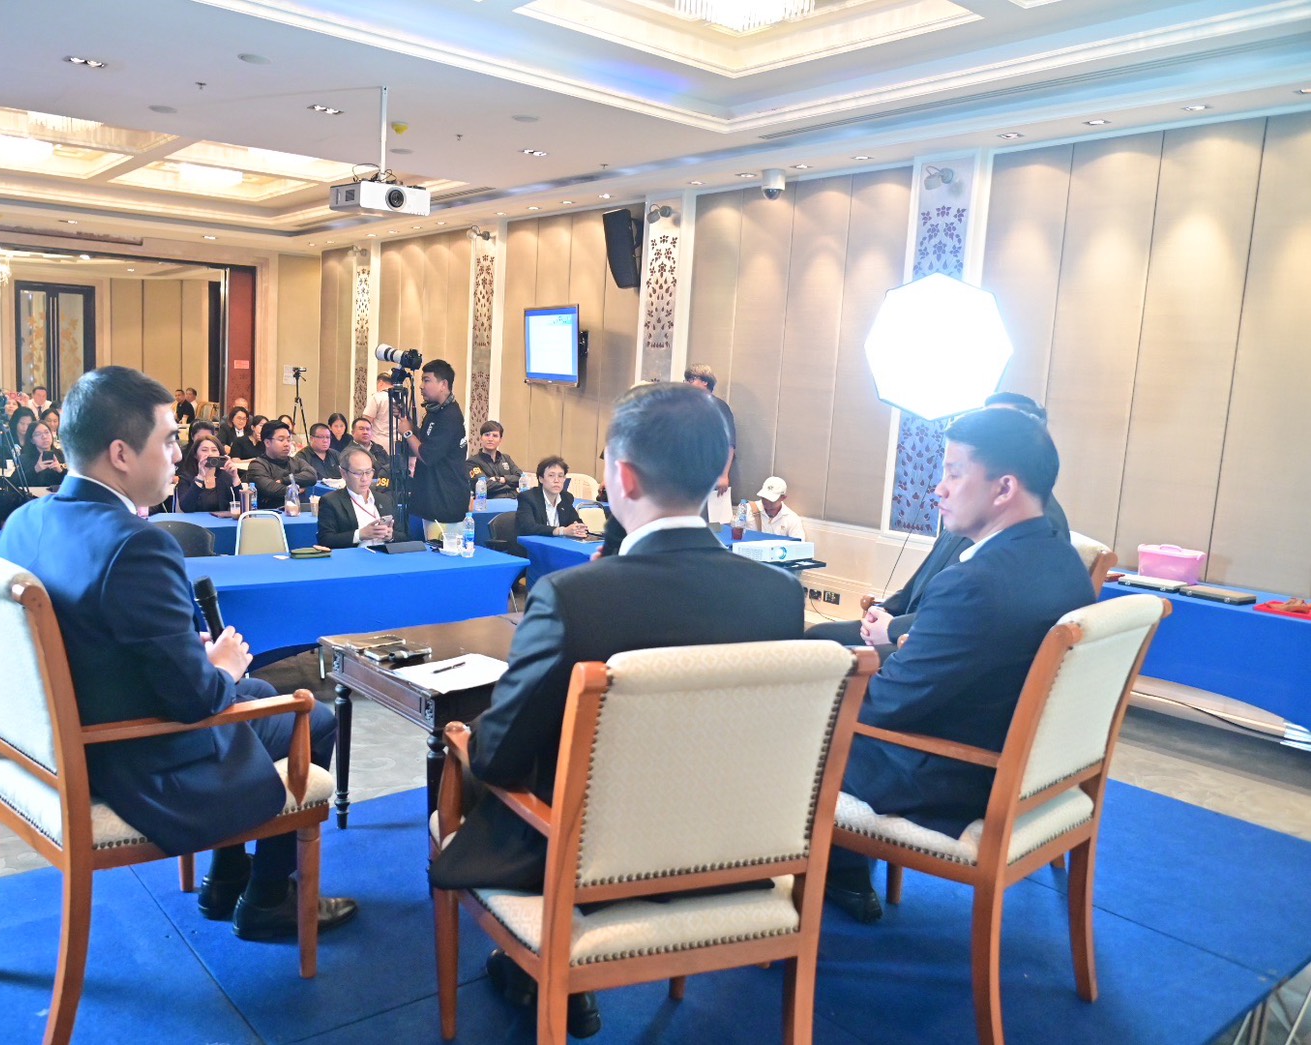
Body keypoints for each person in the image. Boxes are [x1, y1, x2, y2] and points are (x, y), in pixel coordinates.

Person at [428, 383, 806, 1036]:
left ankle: (535, 970)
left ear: (621, 476)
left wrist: (468, 736)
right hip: (730, 855)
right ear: (720, 470)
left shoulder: (572, 597)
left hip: (583, 863)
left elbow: (499, 756)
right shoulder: (778, 596)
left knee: (474, 753)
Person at [0, 365, 356, 940]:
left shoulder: (23, 522)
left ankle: (228, 874)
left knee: (260, 691)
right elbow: (194, 701)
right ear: (120, 453)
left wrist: (202, 663)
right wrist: (221, 667)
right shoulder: (138, 544)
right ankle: (269, 898)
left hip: (56, 741)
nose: (179, 456)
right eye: (168, 441)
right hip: (135, 758)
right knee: (314, 717)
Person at [824, 407, 1095, 925]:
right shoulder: (1063, 562)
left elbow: (884, 707)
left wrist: (806, 694)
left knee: (789, 730)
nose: (939, 488)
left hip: (952, 774)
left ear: (1004, 487)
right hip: (1029, 770)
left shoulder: (974, 583)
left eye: (953, 472)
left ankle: (794, 884)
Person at [807, 393, 1071, 650]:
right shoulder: (969, 514)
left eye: (954, 475)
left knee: (818, 654)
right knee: (817, 636)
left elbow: (973, 611)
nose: (940, 489)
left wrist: (892, 629)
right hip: (916, 624)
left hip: (929, 636)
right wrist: (884, 611)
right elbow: (921, 584)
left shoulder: (1037, 528)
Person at [396, 359, 468, 524]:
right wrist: (405, 419)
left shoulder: (450, 416)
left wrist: (407, 433)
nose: (421, 386)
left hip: (444, 502)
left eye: (427, 380)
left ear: (443, 384)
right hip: (428, 498)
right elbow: (425, 440)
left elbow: (427, 455)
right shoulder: (435, 410)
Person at [684, 363, 736, 522]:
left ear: (705, 381)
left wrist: (724, 475)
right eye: (686, 380)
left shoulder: (719, 407)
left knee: (713, 524)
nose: (686, 383)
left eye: (691, 379)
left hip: (711, 476)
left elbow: (729, 443)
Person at [316, 447, 396, 548]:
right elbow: (325, 540)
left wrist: (390, 536)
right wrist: (359, 535)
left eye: (368, 472)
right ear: (344, 473)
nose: (364, 478)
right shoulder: (331, 501)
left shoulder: (384, 500)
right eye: (358, 473)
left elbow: (404, 536)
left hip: (383, 555)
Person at [244, 420, 316, 510]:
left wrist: (284, 480)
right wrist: (296, 489)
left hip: (298, 513)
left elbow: (312, 476)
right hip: (271, 514)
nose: (287, 444)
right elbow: (271, 489)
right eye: (281, 440)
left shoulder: (296, 461)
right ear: (267, 443)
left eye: (288, 440)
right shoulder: (257, 465)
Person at [515, 456, 587, 539]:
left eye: (560, 476)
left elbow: (575, 520)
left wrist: (578, 528)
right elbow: (527, 527)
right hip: (536, 543)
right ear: (541, 479)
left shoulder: (566, 497)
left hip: (559, 543)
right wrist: (560, 531)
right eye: (551, 475)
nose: (556, 480)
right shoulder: (528, 497)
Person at [176, 433, 243, 513]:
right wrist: (200, 477)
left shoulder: (225, 476)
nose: (210, 454)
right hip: (195, 520)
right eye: (204, 450)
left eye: (214, 450)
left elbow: (241, 505)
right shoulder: (186, 477)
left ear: (219, 454)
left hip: (220, 520)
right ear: (195, 455)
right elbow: (186, 507)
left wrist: (235, 477)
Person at [465, 420, 524, 499]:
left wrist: (501, 479)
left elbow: (521, 478)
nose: (490, 439)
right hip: (489, 502)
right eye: (487, 435)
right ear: (481, 438)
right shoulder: (472, 462)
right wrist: (510, 485)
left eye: (495, 436)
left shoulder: (506, 458)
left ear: (500, 440)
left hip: (513, 499)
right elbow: (484, 485)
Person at [20, 420, 68, 488]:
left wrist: (60, 471)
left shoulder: (63, 455)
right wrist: (35, 469)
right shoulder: (24, 459)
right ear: (32, 440)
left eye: (47, 432)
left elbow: (74, 482)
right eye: (38, 434)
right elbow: (15, 482)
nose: (44, 437)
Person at [347, 416, 390, 487]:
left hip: (383, 487)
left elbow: (388, 469)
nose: (365, 432)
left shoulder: (379, 449)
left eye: (368, 429)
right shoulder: (348, 452)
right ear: (353, 432)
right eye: (361, 429)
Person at [361, 369, 395, 450]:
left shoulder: (377, 397)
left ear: (381, 382)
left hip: (379, 443)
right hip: (396, 443)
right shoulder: (400, 398)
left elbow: (366, 421)